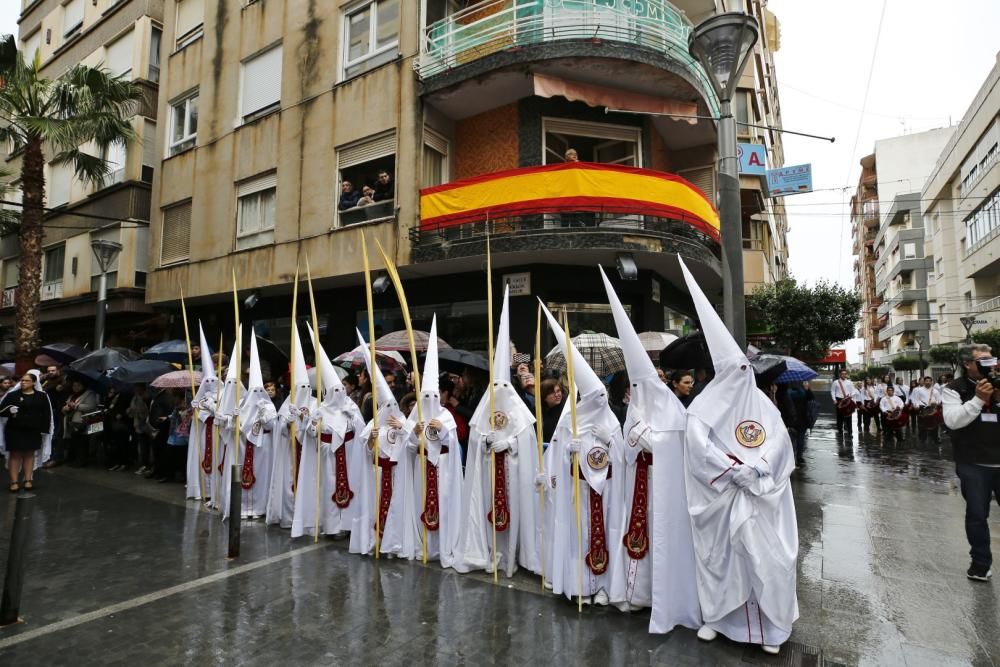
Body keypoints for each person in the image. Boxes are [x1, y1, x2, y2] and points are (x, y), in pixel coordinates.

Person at [677, 257, 797, 656]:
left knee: (765, 561)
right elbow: (697, 444)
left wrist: (757, 469)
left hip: (759, 497)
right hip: (721, 497)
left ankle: (770, 628)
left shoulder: (764, 405)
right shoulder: (702, 407)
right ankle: (719, 620)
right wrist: (731, 470)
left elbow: (778, 442)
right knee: (724, 560)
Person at [601, 267, 701, 629]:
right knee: (636, 535)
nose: (640, 396)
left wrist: (650, 439)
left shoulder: (674, 409)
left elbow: (675, 445)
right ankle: (632, 593)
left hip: (663, 489)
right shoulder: (634, 410)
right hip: (638, 486)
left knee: (661, 538)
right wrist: (637, 437)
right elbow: (626, 446)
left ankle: (659, 595)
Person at [540, 301, 626, 606]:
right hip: (579, 489)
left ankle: (604, 585)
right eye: (595, 396)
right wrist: (567, 451)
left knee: (605, 532)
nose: (600, 400)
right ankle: (581, 585)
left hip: (606, 492)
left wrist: (610, 441)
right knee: (581, 535)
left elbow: (622, 455)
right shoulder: (569, 420)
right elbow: (557, 456)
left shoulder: (611, 420)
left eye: (603, 396)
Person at [454, 286, 542, 577]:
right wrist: (485, 440)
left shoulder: (518, 400)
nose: (501, 391)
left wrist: (512, 445)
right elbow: (478, 432)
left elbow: (527, 438)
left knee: (515, 512)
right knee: (486, 510)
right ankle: (490, 552)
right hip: (489, 474)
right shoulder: (486, 402)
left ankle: (512, 555)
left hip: (513, 475)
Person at [402, 316, 463, 566]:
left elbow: (453, 441)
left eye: (432, 395)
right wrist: (414, 433)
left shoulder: (446, 414)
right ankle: (424, 546)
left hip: (444, 469)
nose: (428, 399)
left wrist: (444, 431)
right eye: (424, 395)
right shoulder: (415, 414)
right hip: (422, 467)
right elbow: (407, 447)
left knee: (444, 505)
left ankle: (443, 548)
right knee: (421, 503)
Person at [292, 330, 365, 536]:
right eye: (335, 391)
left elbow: (361, 430)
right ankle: (332, 527)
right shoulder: (320, 409)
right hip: (326, 457)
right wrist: (307, 421)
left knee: (351, 486)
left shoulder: (350, 407)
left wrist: (352, 416)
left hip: (349, 456)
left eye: (341, 390)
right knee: (328, 488)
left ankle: (349, 526)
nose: (339, 394)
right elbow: (311, 432)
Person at [350, 328, 411, 558]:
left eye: (392, 406)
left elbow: (411, 444)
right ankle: (375, 541)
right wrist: (371, 440)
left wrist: (403, 429)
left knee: (395, 507)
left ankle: (393, 544)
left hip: (395, 474)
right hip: (376, 474)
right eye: (385, 408)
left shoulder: (401, 421)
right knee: (376, 506)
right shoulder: (373, 425)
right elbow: (365, 451)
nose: (389, 411)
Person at [942, 344, 1000, 582]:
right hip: (973, 462)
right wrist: (978, 400)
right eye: (982, 361)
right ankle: (980, 563)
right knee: (977, 515)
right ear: (967, 364)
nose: (990, 365)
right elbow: (953, 421)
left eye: (992, 360)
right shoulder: (954, 389)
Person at [266, 327, 313, 529]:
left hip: (308, 453)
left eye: (305, 388)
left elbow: (316, 428)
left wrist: (306, 419)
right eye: (298, 388)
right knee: (288, 485)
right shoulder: (287, 404)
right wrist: (287, 421)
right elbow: (279, 428)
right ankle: (288, 517)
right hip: (290, 453)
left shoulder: (315, 404)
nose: (302, 391)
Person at [0, 372, 54, 492]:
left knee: (30, 454)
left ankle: (28, 480)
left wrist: (44, 430)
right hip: (15, 429)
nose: (23, 382)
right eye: (22, 380)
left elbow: (46, 414)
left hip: (33, 429)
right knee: (15, 455)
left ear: (34, 382)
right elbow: (1, 410)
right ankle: (14, 481)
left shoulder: (41, 396)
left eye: (26, 381)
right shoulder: (12, 395)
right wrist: (10, 411)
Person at [187, 325, 218, 501]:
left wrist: (213, 408)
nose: (211, 385)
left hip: (216, 435)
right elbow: (198, 417)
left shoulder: (221, 395)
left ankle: (214, 491)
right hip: (203, 433)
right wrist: (198, 408)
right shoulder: (199, 397)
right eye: (208, 382)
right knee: (201, 457)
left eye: (214, 381)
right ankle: (200, 490)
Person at [63, 379, 99, 467]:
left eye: (78, 385)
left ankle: (81, 461)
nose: (75, 387)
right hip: (71, 421)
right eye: (74, 385)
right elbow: (67, 404)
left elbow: (91, 406)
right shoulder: (72, 395)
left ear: (83, 386)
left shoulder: (89, 394)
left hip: (82, 421)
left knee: (81, 442)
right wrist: (65, 408)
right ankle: (73, 459)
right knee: (73, 441)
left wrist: (75, 406)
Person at [785, 381, 815, 466]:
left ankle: (790, 456)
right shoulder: (803, 392)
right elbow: (812, 398)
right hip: (802, 419)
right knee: (800, 439)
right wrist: (807, 389)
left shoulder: (788, 392)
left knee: (790, 439)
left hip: (791, 419)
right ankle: (799, 456)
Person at [909, 376, 942, 444]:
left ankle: (935, 438)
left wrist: (935, 403)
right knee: (922, 425)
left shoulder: (935, 391)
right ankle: (922, 439)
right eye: (926, 381)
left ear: (931, 382)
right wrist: (916, 405)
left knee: (934, 424)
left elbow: (939, 399)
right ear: (924, 382)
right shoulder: (918, 390)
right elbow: (914, 399)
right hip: (922, 408)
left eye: (929, 381)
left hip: (933, 409)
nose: (928, 382)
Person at [129, 384, 153, 475]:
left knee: (146, 446)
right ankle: (144, 464)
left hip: (147, 426)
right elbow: (132, 411)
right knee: (142, 446)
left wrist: (138, 411)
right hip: (138, 425)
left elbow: (147, 412)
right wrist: (131, 411)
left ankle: (147, 465)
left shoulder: (147, 397)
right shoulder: (135, 398)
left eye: (137, 388)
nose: (136, 390)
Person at [830, 369, 856, 437]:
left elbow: (853, 391)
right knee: (840, 417)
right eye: (842, 374)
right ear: (840, 374)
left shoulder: (849, 382)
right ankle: (840, 431)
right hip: (839, 400)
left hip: (847, 400)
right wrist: (834, 399)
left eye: (845, 374)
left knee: (849, 416)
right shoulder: (836, 382)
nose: (844, 375)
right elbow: (832, 391)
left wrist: (851, 396)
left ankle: (850, 432)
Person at [539, 379, 564, 446]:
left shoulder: (567, 408)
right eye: (552, 393)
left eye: (558, 391)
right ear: (544, 397)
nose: (557, 395)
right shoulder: (538, 412)